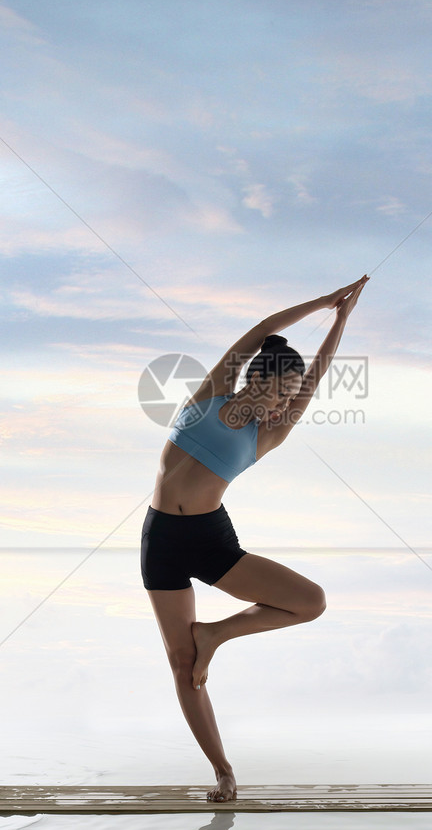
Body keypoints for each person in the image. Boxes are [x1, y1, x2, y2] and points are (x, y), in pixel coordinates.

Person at [141, 274, 369, 801]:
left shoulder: (268, 433)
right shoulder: (212, 392)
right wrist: (325, 301)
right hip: (161, 541)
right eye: (282, 390)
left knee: (310, 601)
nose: (285, 402)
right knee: (181, 664)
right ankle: (223, 770)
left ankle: (215, 634)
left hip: (210, 539)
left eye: (291, 396)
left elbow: (318, 374)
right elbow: (265, 328)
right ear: (258, 378)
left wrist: (341, 322)